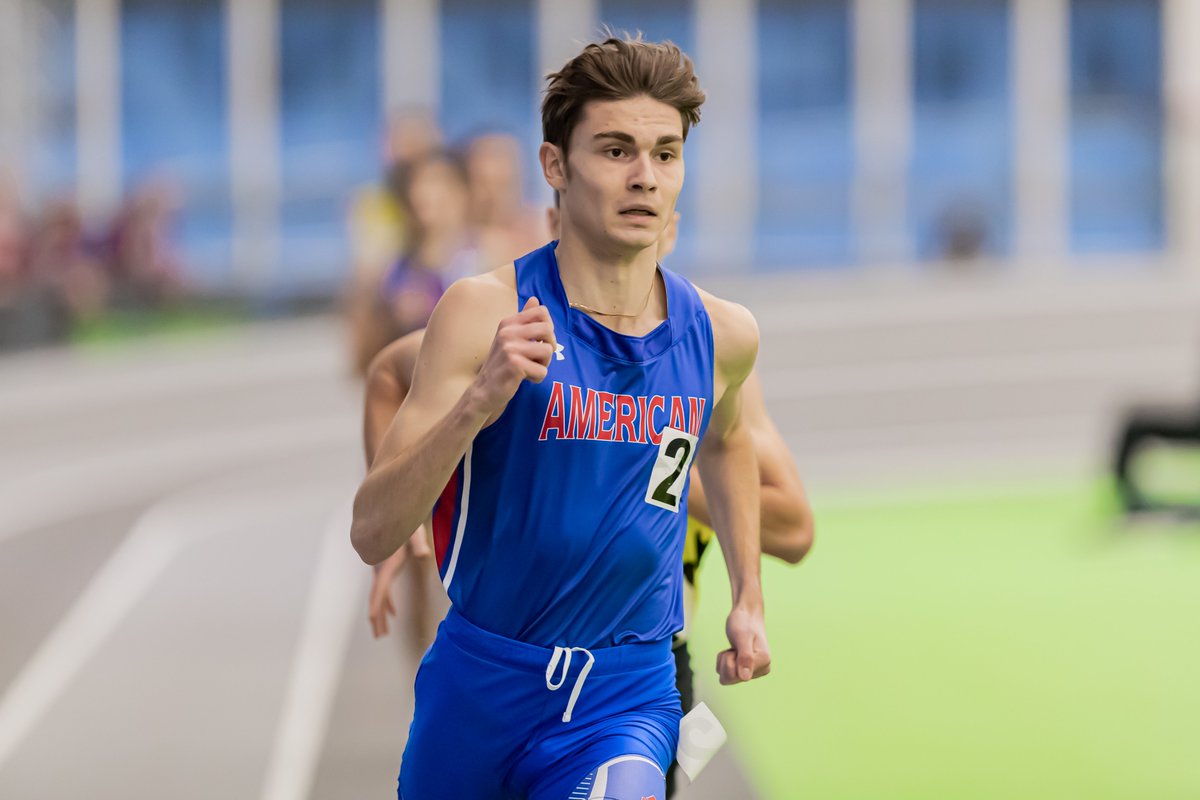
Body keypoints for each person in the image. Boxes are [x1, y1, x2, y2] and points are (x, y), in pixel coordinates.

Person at [351, 34, 771, 799]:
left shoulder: (721, 334)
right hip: (481, 687)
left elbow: (730, 440)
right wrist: (477, 405)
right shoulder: (484, 312)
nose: (645, 177)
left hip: (628, 695)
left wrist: (749, 597)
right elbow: (371, 529)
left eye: (665, 154)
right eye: (615, 151)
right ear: (555, 167)